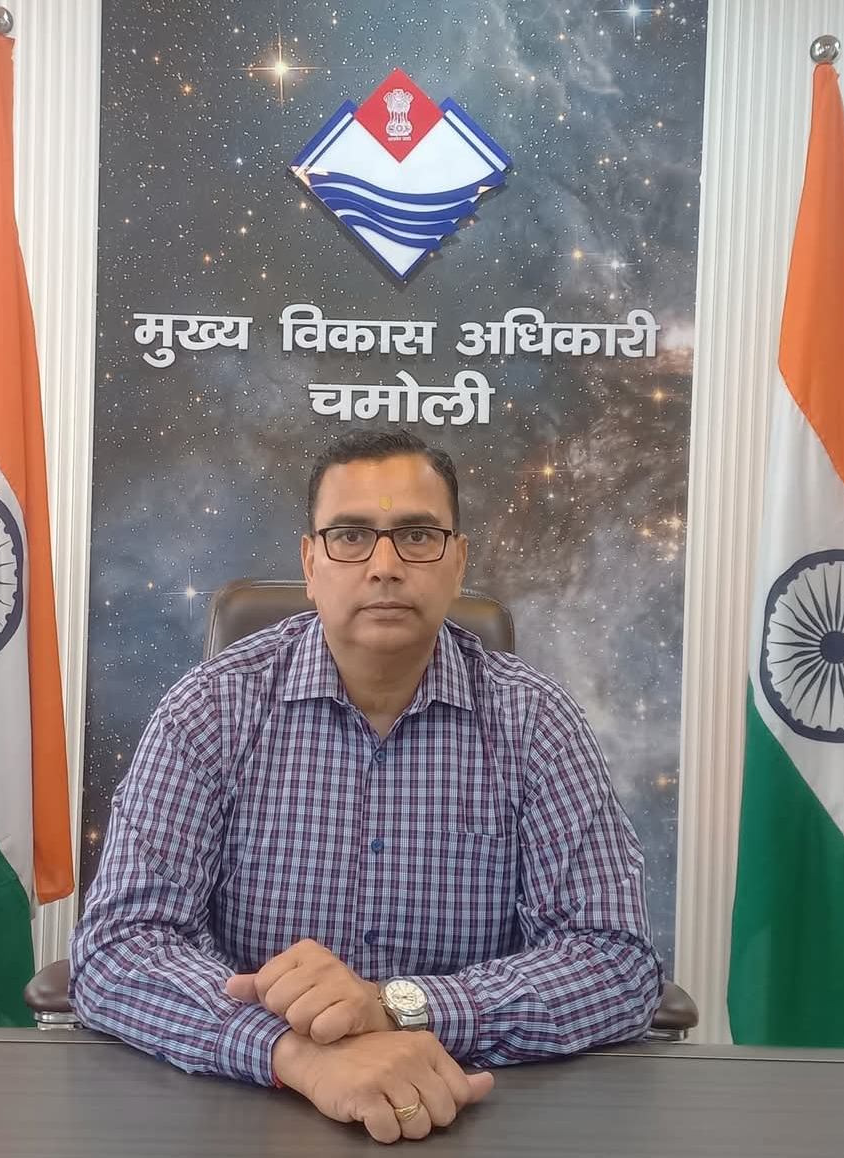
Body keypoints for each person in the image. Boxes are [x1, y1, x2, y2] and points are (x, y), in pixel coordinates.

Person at [70, 430, 663, 1143]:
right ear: (310, 563)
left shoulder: (535, 722)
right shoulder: (211, 710)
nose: (384, 567)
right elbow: (117, 950)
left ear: (458, 561)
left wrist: (396, 1007)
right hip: (250, 1113)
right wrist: (297, 1056)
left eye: (417, 536)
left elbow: (616, 961)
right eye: (350, 536)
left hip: (472, 1110)